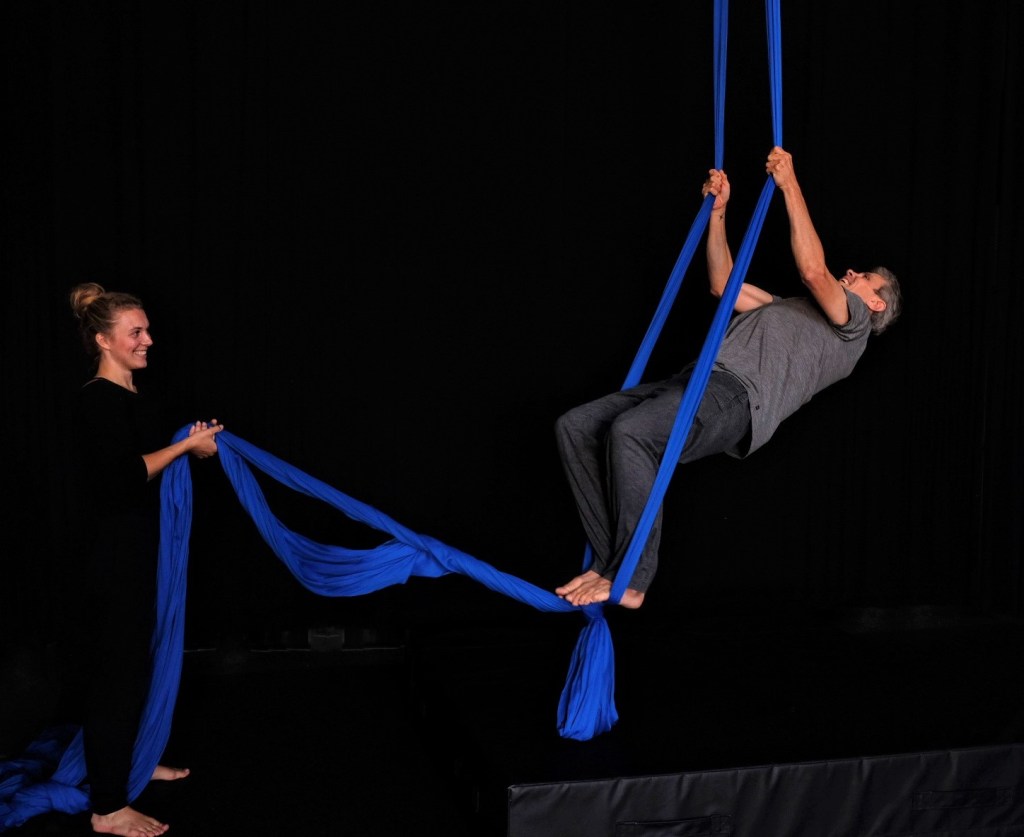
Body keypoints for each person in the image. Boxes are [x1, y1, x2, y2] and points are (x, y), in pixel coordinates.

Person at [554, 146, 902, 609]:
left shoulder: (853, 328)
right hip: (697, 379)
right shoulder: (790, 309)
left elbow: (814, 270)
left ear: (875, 304)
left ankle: (633, 579)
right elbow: (724, 284)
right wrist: (719, 214)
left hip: (737, 395)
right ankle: (609, 565)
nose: (852, 272)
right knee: (577, 427)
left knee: (631, 433)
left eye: (864, 279)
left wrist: (790, 183)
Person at [67, 282, 223, 837]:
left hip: (139, 552)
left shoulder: (134, 399)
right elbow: (128, 474)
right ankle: (108, 808)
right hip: (111, 560)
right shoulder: (96, 401)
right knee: (117, 676)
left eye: (148, 329)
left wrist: (191, 443)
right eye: (137, 332)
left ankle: (133, 761)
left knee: (139, 667)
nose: (149, 340)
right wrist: (184, 447)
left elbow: (154, 468)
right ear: (104, 340)